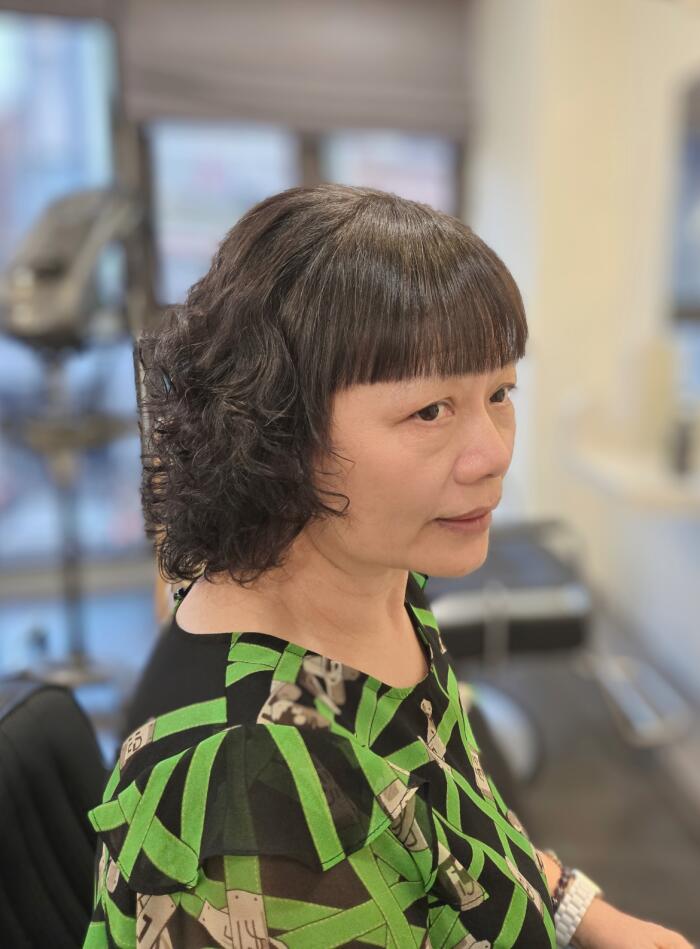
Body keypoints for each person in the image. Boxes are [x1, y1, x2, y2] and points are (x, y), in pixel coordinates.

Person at [83, 184, 693, 949]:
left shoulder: (379, 574)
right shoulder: (256, 796)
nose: (494, 453)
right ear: (279, 427)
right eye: (430, 411)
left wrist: (580, 910)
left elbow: (454, 822)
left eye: (500, 392)